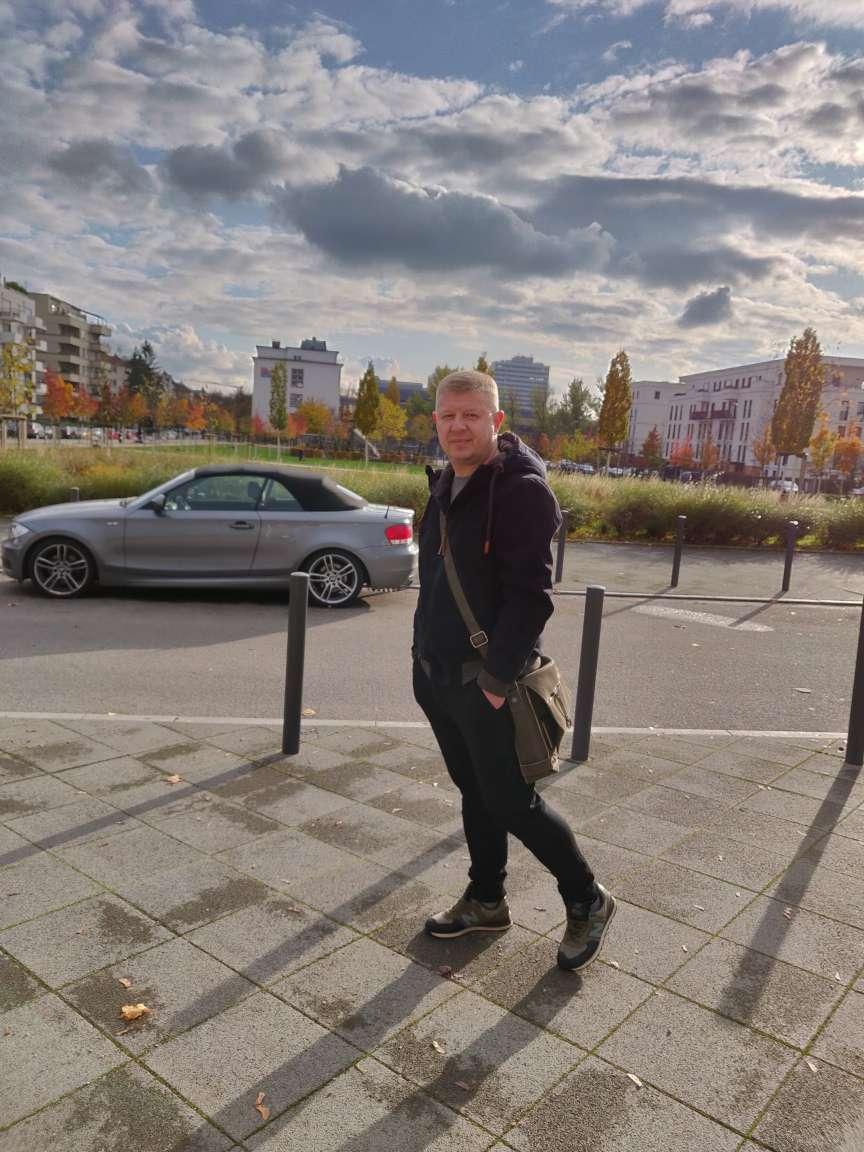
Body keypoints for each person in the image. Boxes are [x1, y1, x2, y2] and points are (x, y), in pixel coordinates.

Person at [412, 370, 616, 972]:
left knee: (510, 801)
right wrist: (421, 660)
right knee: (475, 792)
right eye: (448, 416)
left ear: (496, 421)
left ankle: (587, 897)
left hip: (487, 681)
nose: (458, 426)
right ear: (436, 422)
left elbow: (532, 598)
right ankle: (486, 899)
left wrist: (497, 681)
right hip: (438, 676)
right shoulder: (445, 483)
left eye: (471, 415)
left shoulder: (522, 491)